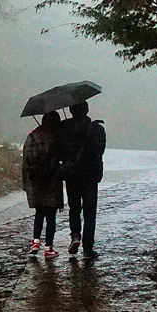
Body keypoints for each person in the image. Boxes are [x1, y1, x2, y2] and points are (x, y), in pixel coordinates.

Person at [57, 101, 106, 259]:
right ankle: (88, 248)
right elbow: (100, 151)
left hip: (72, 175)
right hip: (90, 175)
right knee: (90, 211)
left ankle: (75, 235)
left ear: (71, 110)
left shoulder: (64, 128)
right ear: (87, 110)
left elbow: (58, 152)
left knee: (74, 208)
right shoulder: (97, 129)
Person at [22, 110, 64, 259]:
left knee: (39, 214)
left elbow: (25, 160)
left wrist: (24, 182)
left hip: (36, 181)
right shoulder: (57, 138)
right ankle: (49, 248)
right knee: (51, 216)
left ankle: (35, 243)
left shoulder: (32, 136)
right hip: (52, 181)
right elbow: (62, 157)